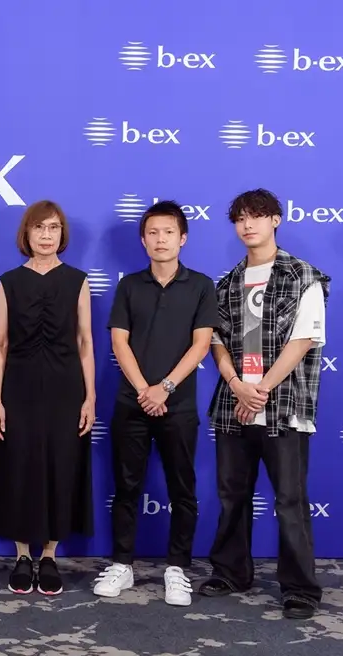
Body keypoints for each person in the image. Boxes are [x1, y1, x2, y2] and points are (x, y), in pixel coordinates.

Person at [199, 189, 330, 620]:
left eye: (256, 216)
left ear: (275, 219)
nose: (247, 225)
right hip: (233, 403)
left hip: (283, 404)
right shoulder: (226, 283)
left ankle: (300, 589)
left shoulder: (302, 275)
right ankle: (231, 571)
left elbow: (304, 339)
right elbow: (216, 341)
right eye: (240, 219)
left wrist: (262, 389)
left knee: (290, 500)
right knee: (232, 495)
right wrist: (238, 384)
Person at [95, 200, 219, 607]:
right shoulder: (129, 286)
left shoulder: (201, 285)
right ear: (143, 240)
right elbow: (119, 342)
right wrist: (144, 390)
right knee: (126, 487)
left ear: (183, 238)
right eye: (153, 233)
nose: (160, 239)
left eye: (168, 232)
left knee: (183, 488)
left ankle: (177, 568)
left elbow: (201, 344)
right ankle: (122, 564)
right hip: (131, 404)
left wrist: (163, 388)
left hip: (177, 405)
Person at [0, 201, 95, 596]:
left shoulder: (78, 281)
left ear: (61, 234)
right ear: (27, 234)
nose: (46, 235)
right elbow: (0, 344)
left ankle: (49, 555)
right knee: (19, 466)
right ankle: (22, 555)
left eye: (53, 228)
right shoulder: (9, 282)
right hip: (18, 389)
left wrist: (90, 397)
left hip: (66, 390)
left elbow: (85, 342)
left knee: (61, 466)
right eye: (39, 228)